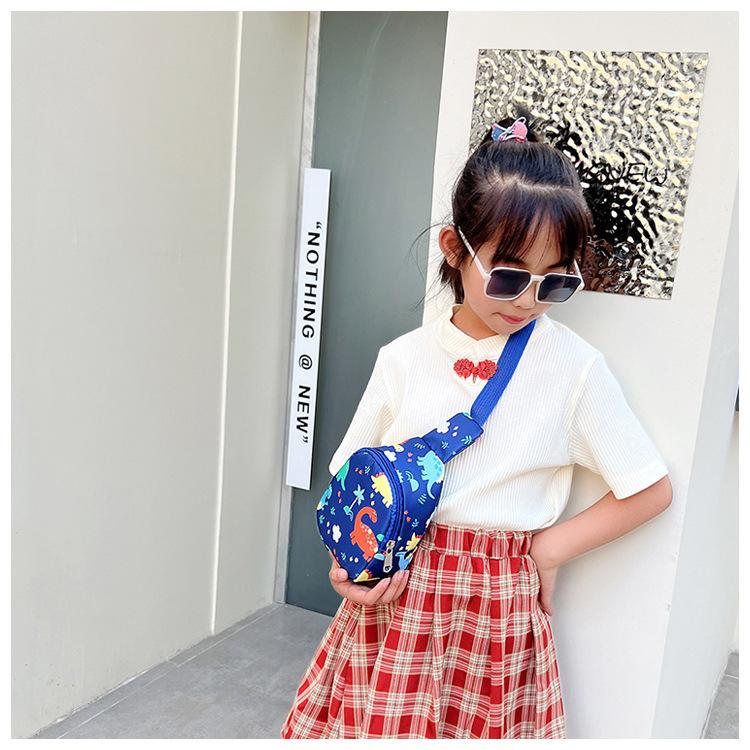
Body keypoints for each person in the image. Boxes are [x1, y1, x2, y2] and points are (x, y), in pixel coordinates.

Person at [280, 107, 673, 740]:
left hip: (497, 614)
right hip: (398, 599)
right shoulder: (403, 359)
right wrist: (346, 565)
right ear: (455, 249)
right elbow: (351, 477)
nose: (529, 300)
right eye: (510, 274)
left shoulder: (572, 368)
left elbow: (649, 489)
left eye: (555, 282)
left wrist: (548, 548)